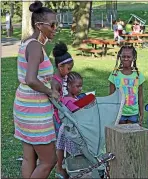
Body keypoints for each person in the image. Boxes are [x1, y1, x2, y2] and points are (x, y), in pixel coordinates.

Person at [13, 1, 59, 178]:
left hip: (24, 106)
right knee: (49, 160)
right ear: (39, 25)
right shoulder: (35, 46)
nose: (55, 28)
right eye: (52, 25)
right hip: (35, 110)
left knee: (28, 157)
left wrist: (51, 83)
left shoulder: (28, 42)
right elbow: (31, 79)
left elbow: (37, 76)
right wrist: (50, 92)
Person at [55, 71, 83, 179]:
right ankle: (71, 168)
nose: (80, 89)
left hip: (65, 127)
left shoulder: (65, 98)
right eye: (77, 86)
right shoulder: (70, 101)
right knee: (73, 150)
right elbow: (79, 111)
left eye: (81, 86)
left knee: (61, 148)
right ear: (69, 86)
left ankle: (60, 168)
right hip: (71, 129)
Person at [108, 45, 145, 125]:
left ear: (134, 58)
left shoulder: (138, 75)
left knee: (131, 136)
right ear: (119, 57)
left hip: (133, 113)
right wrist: (111, 114)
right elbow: (111, 96)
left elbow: (140, 96)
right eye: (123, 56)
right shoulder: (114, 75)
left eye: (129, 57)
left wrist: (141, 113)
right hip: (119, 113)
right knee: (120, 135)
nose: (126, 59)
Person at [51, 41, 74, 136]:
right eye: (69, 68)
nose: (70, 71)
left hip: (67, 113)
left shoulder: (65, 77)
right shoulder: (55, 82)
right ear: (60, 67)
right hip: (58, 117)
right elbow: (55, 100)